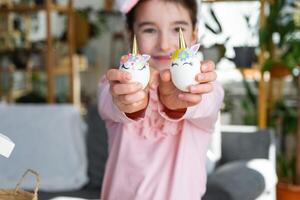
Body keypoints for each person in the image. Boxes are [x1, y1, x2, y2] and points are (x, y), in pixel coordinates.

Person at [98, 0, 224, 199]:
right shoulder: (114, 85)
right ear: (131, 35)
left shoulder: (205, 87)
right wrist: (130, 103)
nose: (164, 44)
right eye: (150, 30)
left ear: (193, 35)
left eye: (178, 29)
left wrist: (182, 101)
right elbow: (110, 103)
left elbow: (210, 102)